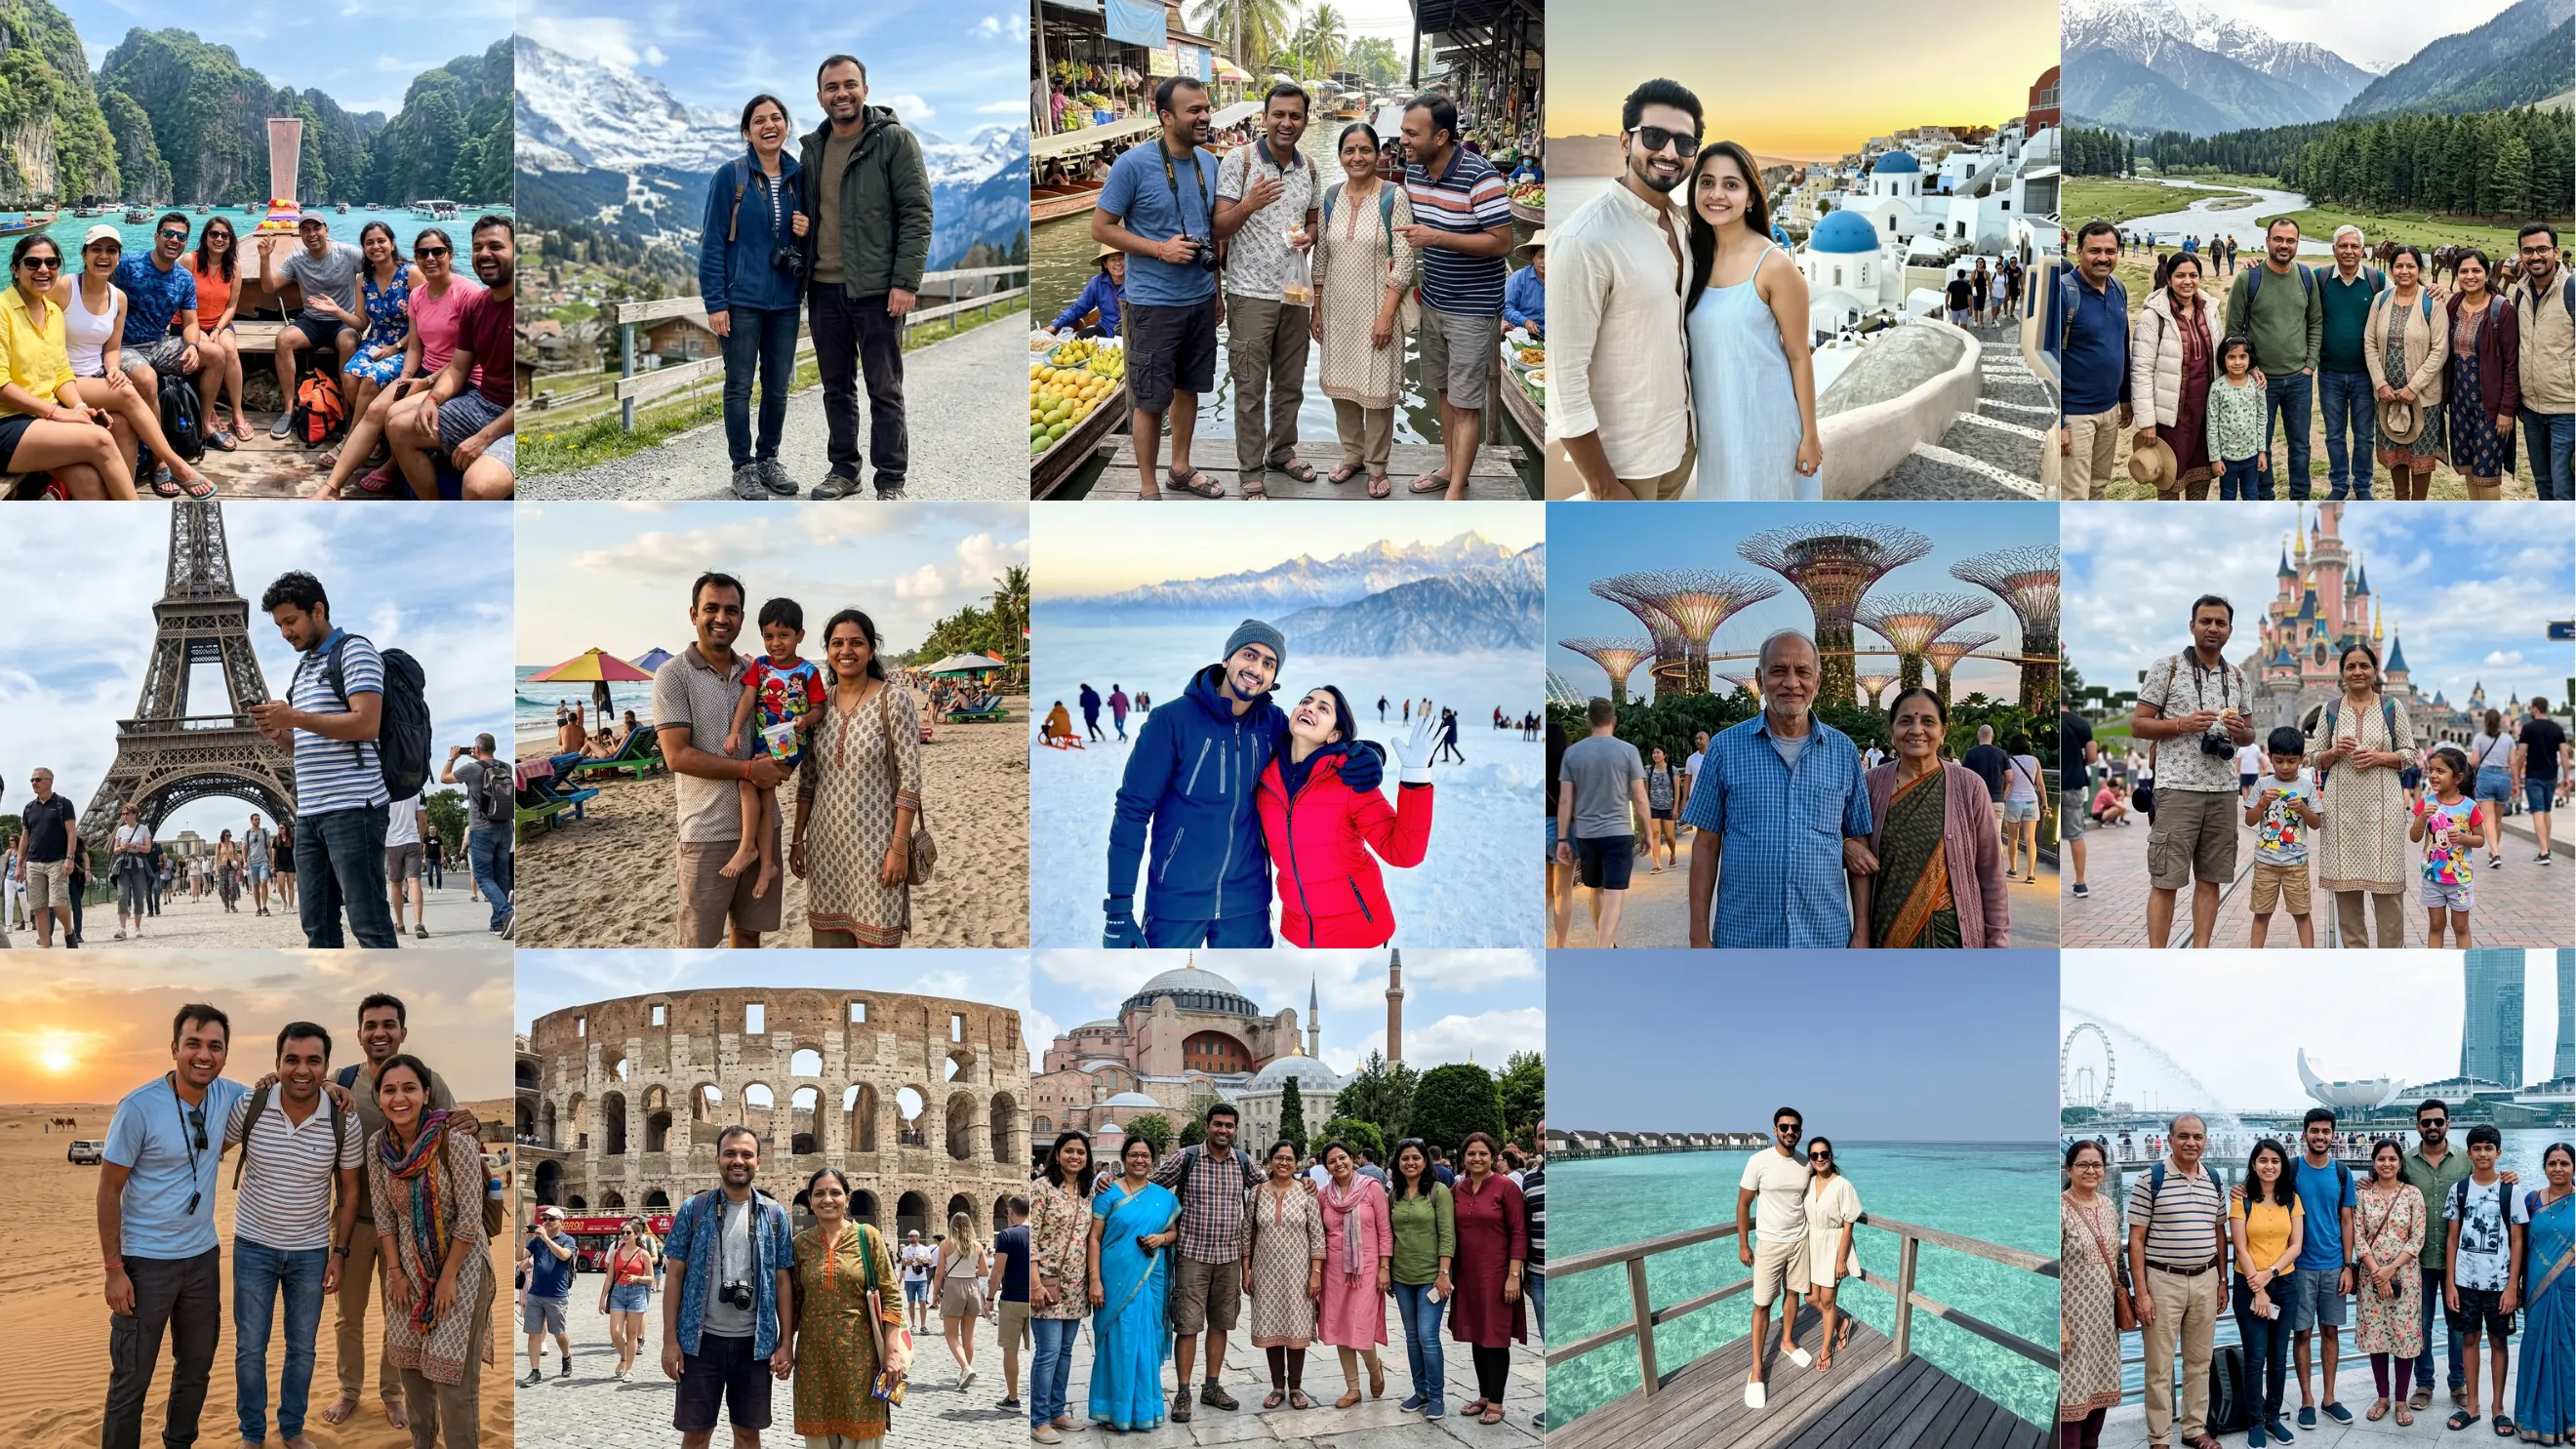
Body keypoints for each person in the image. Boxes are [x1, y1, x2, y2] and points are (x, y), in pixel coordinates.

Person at [100, 1005, 250, 1449]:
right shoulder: (138, 1107)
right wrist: (113, 1267)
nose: (204, 1056)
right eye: (194, 1044)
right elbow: (109, 1191)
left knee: (196, 1368)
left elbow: (284, 1086)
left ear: (225, 1054)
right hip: (145, 1264)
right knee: (132, 1377)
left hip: (202, 1259)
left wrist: (337, 1089)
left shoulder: (230, 1095)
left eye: (214, 1047)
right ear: (174, 1049)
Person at [1551, 79, 1698, 502]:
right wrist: (1601, 484)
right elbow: (1565, 379)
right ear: (1624, 140)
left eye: (1685, 143)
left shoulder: (1684, 226)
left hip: (1681, 444)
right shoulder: (1585, 238)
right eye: (1655, 136)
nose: (1670, 152)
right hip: (1625, 464)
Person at [1684, 631, 1875, 949]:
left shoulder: (1843, 752)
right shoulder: (1724, 749)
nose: (1791, 682)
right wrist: (1698, 936)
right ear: (1760, 679)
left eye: (1802, 672)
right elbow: (1705, 845)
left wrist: (1862, 932)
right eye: (1778, 671)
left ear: (1818, 679)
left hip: (1824, 938)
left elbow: (1860, 845)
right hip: (1744, 939)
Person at [246, 570, 400, 949]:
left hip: (352, 808)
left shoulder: (354, 650)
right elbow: (308, 748)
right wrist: (280, 734)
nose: (285, 633)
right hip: (310, 815)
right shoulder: (304, 669)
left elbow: (367, 724)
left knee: (369, 922)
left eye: (291, 621)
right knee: (316, 925)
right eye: (280, 624)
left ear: (317, 611)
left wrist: (295, 717)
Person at [797, 56, 929, 500]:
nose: (841, 93)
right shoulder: (812, 149)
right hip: (823, 288)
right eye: (832, 87)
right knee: (836, 388)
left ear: (865, 90)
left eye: (849, 84)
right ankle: (843, 471)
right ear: (820, 97)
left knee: (884, 389)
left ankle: (891, 480)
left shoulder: (894, 142)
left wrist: (905, 281)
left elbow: (916, 214)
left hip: (877, 290)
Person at [1094, 76, 1226, 499]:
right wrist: (1158, 249)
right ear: (1166, 116)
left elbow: (1211, 235)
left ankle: (1181, 468)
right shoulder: (1132, 165)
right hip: (1154, 304)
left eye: (1206, 108)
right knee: (1150, 399)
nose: (1204, 116)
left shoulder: (1209, 162)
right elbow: (1101, 228)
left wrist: (1217, 291)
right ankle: (1148, 488)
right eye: (1194, 110)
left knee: (1190, 387)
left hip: (1200, 299)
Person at [655, 573, 789, 948]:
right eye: (711, 608)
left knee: (748, 933)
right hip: (705, 830)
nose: (721, 618)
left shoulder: (757, 672)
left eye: (731, 610)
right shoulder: (672, 675)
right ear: (693, 613)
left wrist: (783, 762)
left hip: (763, 825)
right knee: (698, 944)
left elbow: (782, 724)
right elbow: (676, 755)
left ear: (742, 617)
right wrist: (749, 769)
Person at [366, 1054, 490, 1449]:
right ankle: (423, 1442)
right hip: (407, 1267)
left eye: (408, 1088)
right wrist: (396, 1273)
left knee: (452, 1379)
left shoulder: (455, 1139)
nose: (399, 1098)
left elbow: (469, 1218)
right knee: (410, 1368)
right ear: (379, 1097)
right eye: (389, 1090)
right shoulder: (379, 1146)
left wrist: (447, 1278)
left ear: (426, 1094)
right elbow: (385, 1217)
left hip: (462, 1266)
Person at [1687, 140, 1823, 497]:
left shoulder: (1775, 266)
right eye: (1707, 182)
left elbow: (1798, 355)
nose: (1716, 193)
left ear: (1750, 197)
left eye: (1731, 185)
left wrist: (1810, 436)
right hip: (1717, 436)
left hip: (1768, 431)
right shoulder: (1694, 259)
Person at [782, 609, 922, 948]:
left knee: (876, 956)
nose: (846, 651)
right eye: (837, 643)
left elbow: (911, 780)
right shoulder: (817, 706)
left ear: (871, 649)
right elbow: (809, 780)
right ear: (827, 650)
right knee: (830, 955)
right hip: (825, 847)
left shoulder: (894, 700)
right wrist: (797, 839)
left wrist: (899, 848)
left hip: (878, 849)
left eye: (856, 643)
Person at [1397, 92, 1512, 501]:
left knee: (1466, 403)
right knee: (1444, 391)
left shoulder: (1482, 178)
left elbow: (1501, 243)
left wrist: (1437, 237)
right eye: (1403, 132)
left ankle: (1457, 491)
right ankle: (1449, 468)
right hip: (1434, 299)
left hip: (1473, 307)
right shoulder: (1414, 173)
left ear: (1442, 136)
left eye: (1413, 133)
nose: (1404, 141)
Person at [1254, 685, 1433, 947]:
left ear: (1334, 734)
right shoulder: (1264, 780)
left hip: (1358, 935)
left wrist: (1416, 777)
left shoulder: (1350, 780)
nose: (1309, 708)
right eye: (1306, 701)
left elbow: (1404, 853)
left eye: (1323, 708)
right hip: (1295, 935)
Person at [315, 227, 484, 500]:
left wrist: (423, 379)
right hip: (424, 370)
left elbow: (467, 357)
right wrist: (406, 376)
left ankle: (393, 465)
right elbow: (416, 346)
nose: (430, 258)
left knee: (392, 414)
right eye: (422, 253)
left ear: (450, 256)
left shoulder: (468, 294)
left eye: (437, 252)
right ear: (415, 258)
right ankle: (331, 488)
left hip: (456, 377)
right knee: (376, 410)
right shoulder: (418, 295)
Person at [1213, 83, 1320, 499]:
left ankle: (1282, 452)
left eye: (1295, 115)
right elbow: (1219, 227)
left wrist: (1308, 237)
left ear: (1305, 121)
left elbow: (1311, 222)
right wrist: (1249, 204)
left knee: (1290, 382)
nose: (1286, 123)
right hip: (1249, 291)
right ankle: (1250, 470)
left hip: (1295, 290)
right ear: (1264, 117)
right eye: (1279, 114)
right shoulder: (1237, 162)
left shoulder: (1309, 167)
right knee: (1250, 384)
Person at [661, 1126, 796, 1449]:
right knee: (695, 1435)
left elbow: (782, 1280)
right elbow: (674, 1276)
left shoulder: (775, 1215)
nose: (739, 1161)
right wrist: (669, 1341)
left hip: (754, 1344)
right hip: (699, 1342)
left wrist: (785, 1342)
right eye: (731, 1153)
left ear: (758, 1162)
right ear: (717, 1159)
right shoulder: (694, 1210)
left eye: (746, 1154)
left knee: (749, 1435)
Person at [701, 94, 808, 500]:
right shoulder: (731, 176)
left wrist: (806, 229)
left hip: (784, 301)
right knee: (740, 386)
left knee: (778, 385)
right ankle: (742, 466)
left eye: (776, 117)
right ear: (746, 131)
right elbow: (711, 243)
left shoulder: (800, 175)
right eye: (759, 119)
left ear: (786, 126)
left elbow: (810, 240)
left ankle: (769, 459)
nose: (769, 125)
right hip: (740, 299)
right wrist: (716, 303)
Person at [2134, 596, 2257, 947]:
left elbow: (2250, 735)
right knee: (2166, 880)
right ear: (2192, 625)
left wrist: (2238, 731)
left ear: (2230, 631)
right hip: (2176, 789)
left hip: (2221, 790)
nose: (2213, 628)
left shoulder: (2237, 677)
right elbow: (2138, 725)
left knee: (2211, 879)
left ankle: (2200, 953)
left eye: (2220, 623)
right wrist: (2180, 724)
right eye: (2206, 621)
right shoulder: (2167, 667)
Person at [59, 225, 216, 497]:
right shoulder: (64, 287)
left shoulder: (118, 297)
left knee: (124, 425)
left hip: (103, 369)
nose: (103, 256)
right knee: (137, 386)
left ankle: (126, 491)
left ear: (118, 257)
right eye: (96, 249)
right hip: (66, 378)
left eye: (111, 251)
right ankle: (169, 461)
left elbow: (111, 348)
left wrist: (114, 369)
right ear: (83, 254)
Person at [1311, 120, 1418, 497]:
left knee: (1377, 389)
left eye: (1365, 150)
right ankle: (1352, 456)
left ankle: (1376, 465)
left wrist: (1387, 315)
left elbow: (1405, 261)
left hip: (1378, 308)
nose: (1357, 157)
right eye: (1349, 150)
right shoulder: (1330, 197)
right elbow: (1321, 255)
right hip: (1338, 310)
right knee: (1343, 390)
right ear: (1341, 156)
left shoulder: (1394, 197)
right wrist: (1317, 308)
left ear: (1377, 154)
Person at [1858, 687, 2010, 947]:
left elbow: (1991, 871)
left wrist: (1998, 942)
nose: (1917, 730)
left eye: (1928, 721)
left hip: (1952, 937)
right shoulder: (1870, 785)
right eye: (1905, 721)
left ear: (1943, 732)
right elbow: (1852, 850)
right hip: (1888, 934)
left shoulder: (1969, 786)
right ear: (1891, 732)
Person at [382, 215, 515, 501]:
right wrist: (432, 399)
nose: (484, 255)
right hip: (484, 403)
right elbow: (457, 368)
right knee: (399, 427)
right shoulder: (477, 306)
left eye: (496, 246)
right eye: (478, 247)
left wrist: (484, 438)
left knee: (479, 486)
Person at [1149, 1103, 1266, 1421]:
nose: (1223, 1130)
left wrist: (1305, 1183)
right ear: (1207, 1126)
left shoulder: (1243, 1162)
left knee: (1221, 1323)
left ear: (1235, 1130)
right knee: (1187, 1325)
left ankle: (1211, 1386)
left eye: (1229, 1125)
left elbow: (1270, 1189)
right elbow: (1146, 1186)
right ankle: (1183, 1391)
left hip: (1228, 1257)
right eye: (1218, 1124)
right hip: (1192, 1256)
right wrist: (1108, 1185)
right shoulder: (1186, 1158)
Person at [0, 232, 137, 499]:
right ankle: (139, 526)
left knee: (88, 481)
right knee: (101, 439)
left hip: (38, 419)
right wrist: (56, 413)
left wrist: (80, 408)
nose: (43, 270)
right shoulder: (3, 310)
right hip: (7, 421)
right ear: (15, 270)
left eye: (51, 263)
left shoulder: (52, 312)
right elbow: (2, 386)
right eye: (32, 263)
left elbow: (62, 373)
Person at [2129, 1113, 2229, 1449]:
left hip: (2205, 1279)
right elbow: (2136, 1240)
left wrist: (2222, 1281)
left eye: (2197, 1136)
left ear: (2205, 1141)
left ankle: (2194, 1430)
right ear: (2169, 1140)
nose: (2191, 1142)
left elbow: (2220, 1234)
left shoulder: (2214, 1179)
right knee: (2158, 1366)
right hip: (2162, 1281)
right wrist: (2141, 1292)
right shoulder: (2150, 1178)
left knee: (2199, 1361)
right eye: (2183, 1135)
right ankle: (2159, 1437)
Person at [2305, 642, 2415, 947]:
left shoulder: (2392, 707)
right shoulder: (2331, 711)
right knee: (2347, 898)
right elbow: (2314, 758)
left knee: (2389, 893)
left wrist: (2379, 757)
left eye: (2364, 665)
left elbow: (2409, 753)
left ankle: (2391, 961)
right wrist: (2333, 751)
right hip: (2343, 813)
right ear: (2341, 673)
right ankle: (2357, 963)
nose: (2357, 671)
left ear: (2375, 671)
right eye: (2350, 666)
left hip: (2384, 813)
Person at [785, 1166, 907, 1442]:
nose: (827, 1199)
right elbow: (794, 1303)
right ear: (810, 1200)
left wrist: (891, 1353)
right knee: (819, 1438)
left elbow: (890, 1296)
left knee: (863, 1437)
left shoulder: (868, 1237)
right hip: (814, 1358)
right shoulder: (801, 1244)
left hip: (862, 1358)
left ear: (848, 1198)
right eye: (819, 1194)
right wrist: (784, 1348)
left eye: (835, 1193)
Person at [721, 597, 824, 899]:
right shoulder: (761, 666)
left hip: (790, 744)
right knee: (764, 796)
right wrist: (734, 730)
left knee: (746, 780)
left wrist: (805, 719)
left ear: (799, 636)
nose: (776, 643)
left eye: (784, 635)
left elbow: (819, 707)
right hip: (763, 741)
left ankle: (747, 847)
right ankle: (766, 864)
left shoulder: (807, 672)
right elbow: (748, 699)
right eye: (769, 636)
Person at [2223, 219, 2325, 498]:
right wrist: (2250, 368)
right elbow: (2233, 331)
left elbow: (2315, 322)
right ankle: (2264, 498)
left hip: (2299, 380)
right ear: (2267, 241)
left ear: (2297, 244)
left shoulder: (2306, 277)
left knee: (2301, 445)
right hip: (2259, 381)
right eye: (2278, 239)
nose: (2284, 245)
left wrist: (2309, 365)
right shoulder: (2248, 278)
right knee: (2260, 444)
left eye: (2290, 240)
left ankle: (2300, 498)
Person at [1087, 1136, 1182, 1431]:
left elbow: (1174, 1232)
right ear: (1124, 1158)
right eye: (1133, 1155)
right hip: (1114, 1279)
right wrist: (1094, 1281)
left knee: (1145, 1343)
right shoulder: (1108, 1192)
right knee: (1118, 1343)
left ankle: (1144, 1410)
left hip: (1151, 1277)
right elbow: (1094, 1237)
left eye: (1145, 1155)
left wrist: (1162, 1238)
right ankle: (1112, 1410)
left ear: (1153, 1161)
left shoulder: (1164, 1197)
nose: (1139, 1160)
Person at [2442, 1124, 2528, 1434]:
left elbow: (2517, 1241)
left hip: (2499, 1285)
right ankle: (2473, 1406)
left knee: (2498, 1342)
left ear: (2498, 1153)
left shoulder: (2511, 1191)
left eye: (2488, 1148)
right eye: (2476, 1148)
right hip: (2465, 1282)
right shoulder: (2460, 1190)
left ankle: (2498, 1408)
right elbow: (2452, 1239)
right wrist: (2450, 1283)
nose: (2482, 1154)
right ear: (2469, 1154)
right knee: (2469, 1339)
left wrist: (2511, 1286)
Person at [2280, 1110, 2359, 1429]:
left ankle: (2329, 1398)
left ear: (2334, 1136)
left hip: (2332, 1266)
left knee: (2330, 1331)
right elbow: (2266, 1196)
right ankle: (2307, 1401)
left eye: (2326, 1131)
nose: (2320, 1136)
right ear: (2304, 1135)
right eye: (2314, 1131)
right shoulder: (2292, 1170)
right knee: (2301, 1333)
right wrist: (2241, 1190)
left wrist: (2347, 1266)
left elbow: (2347, 1220)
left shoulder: (2342, 1173)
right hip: (2297, 1267)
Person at [259, 217, 365, 443]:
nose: (312, 234)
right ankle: (289, 410)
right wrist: (265, 258)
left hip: (342, 319)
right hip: (312, 321)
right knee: (283, 339)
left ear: (327, 229)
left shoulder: (347, 253)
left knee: (348, 342)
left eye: (317, 228)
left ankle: (347, 411)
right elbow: (269, 287)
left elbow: (377, 268)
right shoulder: (297, 260)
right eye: (305, 230)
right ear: (301, 235)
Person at [1556, 696, 1649, 946]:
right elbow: (1640, 797)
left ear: (1588, 720)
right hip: (1618, 832)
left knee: (1596, 890)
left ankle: (1605, 944)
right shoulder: (1628, 751)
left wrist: (1563, 838)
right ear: (1614, 720)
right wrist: (1649, 832)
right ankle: (1603, 948)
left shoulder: (1572, 753)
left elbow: (1566, 801)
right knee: (1614, 896)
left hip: (1586, 834)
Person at [2230, 1137, 2305, 1445]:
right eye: (2263, 1161)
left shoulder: (2291, 1199)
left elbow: (2296, 1245)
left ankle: (2273, 1418)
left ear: (2282, 1165)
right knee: (2255, 1356)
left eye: (2275, 1161)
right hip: (2249, 1287)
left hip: (2285, 1284)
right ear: (2253, 1165)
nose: (2269, 1166)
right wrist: (2258, 1287)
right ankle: (2255, 1422)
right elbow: (2240, 1246)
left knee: (2278, 1356)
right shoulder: (2241, 1199)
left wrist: (2271, 1274)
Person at [1243, 1140, 1327, 1409]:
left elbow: (1317, 1235)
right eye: (1279, 1157)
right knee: (1271, 1327)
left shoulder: (1306, 1193)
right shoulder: (1257, 1192)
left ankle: (1295, 1387)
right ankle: (1277, 1386)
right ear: (1270, 1161)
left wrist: (1316, 1274)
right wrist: (1246, 1271)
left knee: (1296, 1328)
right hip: (1266, 1273)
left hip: (1298, 1273)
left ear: (1297, 1163)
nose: (1284, 1163)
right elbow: (1247, 1233)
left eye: (1290, 1159)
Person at [2131, 252, 2223, 499]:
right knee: (2168, 475)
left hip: (2204, 412)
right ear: (2169, 279)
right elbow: (2141, 370)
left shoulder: (2210, 310)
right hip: (2171, 415)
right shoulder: (2153, 317)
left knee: (2201, 474)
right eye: (2180, 275)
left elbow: (2220, 357)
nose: (2187, 281)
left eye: (2193, 275)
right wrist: (2147, 422)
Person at [2052, 221, 2130, 500]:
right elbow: (2050, 361)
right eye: (2094, 251)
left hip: (2110, 412)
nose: (2103, 258)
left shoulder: (2118, 288)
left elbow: (2122, 345)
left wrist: (2125, 398)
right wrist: (2059, 422)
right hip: (2076, 415)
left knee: (2099, 486)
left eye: (2110, 251)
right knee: (2074, 495)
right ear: (2078, 252)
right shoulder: (2063, 294)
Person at [2361, 246, 2447, 500]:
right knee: (2395, 452)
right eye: (2399, 266)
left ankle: (2417, 507)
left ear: (2419, 269)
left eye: (2410, 266)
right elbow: (2369, 343)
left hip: (2422, 397)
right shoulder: (2381, 299)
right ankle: (2400, 501)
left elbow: (2440, 350)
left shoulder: (2432, 301)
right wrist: (2380, 383)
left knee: (2419, 455)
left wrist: (2413, 387)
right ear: (2392, 270)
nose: (2404, 271)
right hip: (2387, 395)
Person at [1738, 1107, 1810, 1409]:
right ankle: (1756, 1368)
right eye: (1784, 1126)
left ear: (1800, 1131)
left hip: (1800, 1241)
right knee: (1762, 1304)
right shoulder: (1758, 1161)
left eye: (1795, 1127)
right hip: (1768, 1244)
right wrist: (1743, 1244)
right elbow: (1743, 1205)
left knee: (1793, 1294)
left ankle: (1787, 1341)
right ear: (1775, 1129)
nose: (1790, 1131)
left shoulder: (1806, 1163)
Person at [1313, 1140, 1392, 1408]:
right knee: (1339, 1327)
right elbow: (1317, 1234)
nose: (1339, 1164)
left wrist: (1384, 1268)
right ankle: (1353, 1388)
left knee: (1360, 1325)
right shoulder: (1323, 1195)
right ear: (1327, 1167)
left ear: (1353, 1158)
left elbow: (1384, 1230)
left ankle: (1374, 1367)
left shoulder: (1372, 1189)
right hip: (1334, 1272)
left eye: (1342, 1157)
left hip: (1366, 1270)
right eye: (1332, 1161)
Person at [2355, 1138, 2428, 1427]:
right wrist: (2377, 1272)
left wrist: (2391, 1269)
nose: (2387, 1164)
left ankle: (2400, 1400)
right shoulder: (2362, 1195)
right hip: (2371, 1277)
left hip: (2406, 1277)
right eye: (2381, 1159)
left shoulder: (2412, 1195)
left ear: (2400, 1163)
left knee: (2404, 1337)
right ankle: (2382, 1397)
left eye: (2392, 1159)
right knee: (2377, 1337)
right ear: (2374, 1162)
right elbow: (2358, 1236)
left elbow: (2417, 1237)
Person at [334, 221, 417, 463]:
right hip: (375, 342)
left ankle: (351, 438)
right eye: (369, 242)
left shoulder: (410, 273)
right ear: (364, 248)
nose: (376, 246)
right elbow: (361, 322)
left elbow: (424, 321)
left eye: (381, 241)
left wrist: (396, 347)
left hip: (407, 344)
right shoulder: (363, 279)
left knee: (370, 379)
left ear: (392, 244)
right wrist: (337, 311)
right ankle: (375, 436)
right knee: (349, 375)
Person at [1027, 1132, 1092, 1443]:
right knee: (1048, 1353)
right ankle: (1038, 1418)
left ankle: (1057, 1410)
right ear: (1057, 1154)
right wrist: (1035, 1283)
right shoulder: (1041, 1188)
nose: (1075, 1156)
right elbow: (1031, 1238)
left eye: (1081, 1152)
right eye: (1069, 1151)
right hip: (1047, 1283)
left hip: (1076, 1285)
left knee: (1065, 1352)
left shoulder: (1087, 1191)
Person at [2314, 226, 2385, 502]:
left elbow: (2408, 294)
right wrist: (2254, 264)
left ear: (2362, 250)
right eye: (2343, 246)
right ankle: (2340, 484)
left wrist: (2434, 291)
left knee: (2365, 435)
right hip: (2330, 373)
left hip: (2366, 374)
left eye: (2354, 246)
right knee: (2334, 435)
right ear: (2334, 249)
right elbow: (2284, 274)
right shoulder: (2319, 278)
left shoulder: (2377, 280)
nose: (2349, 251)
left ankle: (2363, 485)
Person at [2444, 250, 2522, 500]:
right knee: (2469, 469)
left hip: (2490, 407)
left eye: (2476, 270)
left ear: (2487, 273)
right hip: (2459, 403)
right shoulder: (2454, 304)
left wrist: (2507, 409)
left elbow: (2512, 364)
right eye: (2464, 271)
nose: (2470, 276)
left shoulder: (2502, 309)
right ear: (2456, 275)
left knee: (2487, 475)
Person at [1386, 1139, 1455, 1419]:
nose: (1410, 1163)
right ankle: (1421, 1390)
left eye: (1415, 1158)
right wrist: (1386, 1271)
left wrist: (1444, 1273)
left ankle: (1437, 1395)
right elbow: (1388, 1235)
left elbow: (1448, 1235)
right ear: (1398, 1163)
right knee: (1412, 1337)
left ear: (1425, 1161)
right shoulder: (1395, 1193)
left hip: (1431, 1277)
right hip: (1402, 1276)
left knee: (1428, 1336)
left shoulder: (1439, 1192)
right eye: (1404, 1159)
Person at [2062, 1140, 2124, 1449]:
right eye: (2083, 1164)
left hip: (2103, 1320)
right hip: (2071, 1322)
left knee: (2099, 1390)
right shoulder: (2058, 1209)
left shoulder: (2108, 1206)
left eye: (2097, 1164)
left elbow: (2117, 1260)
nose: (2091, 1170)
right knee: (2071, 1400)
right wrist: (2057, 1323)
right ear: (2069, 1169)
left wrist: (2133, 1299)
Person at [2515, 1143, 2572, 1445]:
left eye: (2564, 1163)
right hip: (2537, 1284)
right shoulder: (2533, 1200)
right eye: (2552, 1163)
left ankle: (2572, 1421)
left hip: (2571, 1288)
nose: (2558, 1169)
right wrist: (2517, 1282)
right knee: (2535, 1346)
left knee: (2568, 1351)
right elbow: (2519, 1244)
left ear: (2574, 1167)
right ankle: (2533, 1419)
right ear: (2544, 1167)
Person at [2242, 727, 2321, 948]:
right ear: (2269, 758)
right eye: (2279, 761)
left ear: (2302, 759)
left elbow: (2316, 824)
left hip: (2296, 863)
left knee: (2302, 913)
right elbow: (2249, 821)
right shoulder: (2262, 785)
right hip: (2265, 862)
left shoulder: (2306, 786)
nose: (2285, 767)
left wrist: (2304, 809)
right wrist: (2262, 803)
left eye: (2291, 761)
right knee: (2261, 912)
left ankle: (2309, 957)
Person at [2512, 224, 2572, 501]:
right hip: (2532, 411)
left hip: (2568, 410)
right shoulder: (2521, 293)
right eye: (2527, 250)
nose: (2535, 256)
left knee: (2565, 490)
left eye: (2542, 249)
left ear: (2555, 252)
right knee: (2543, 485)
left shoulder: (2572, 290)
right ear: (2521, 255)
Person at [182, 216, 250, 445]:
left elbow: (232, 305)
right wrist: (198, 329)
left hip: (219, 322)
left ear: (231, 239)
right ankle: (208, 413)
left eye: (225, 235)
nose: (219, 239)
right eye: (214, 234)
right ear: (205, 237)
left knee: (229, 348)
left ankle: (237, 412)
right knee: (209, 350)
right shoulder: (188, 261)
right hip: (190, 322)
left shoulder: (234, 268)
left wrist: (218, 329)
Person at [2410, 745, 2484, 947]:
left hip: (2460, 878)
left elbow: (2480, 839)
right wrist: (2422, 817)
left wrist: (2463, 838)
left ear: (2458, 778)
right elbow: (2414, 837)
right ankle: (2436, 969)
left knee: (2460, 927)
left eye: (2440, 771)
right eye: (2431, 770)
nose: (2433, 775)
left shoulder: (2469, 806)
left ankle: (2465, 968)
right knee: (2436, 925)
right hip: (2433, 877)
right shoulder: (2426, 803)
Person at [440, 735, 512, 935]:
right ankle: (498, 924)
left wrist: (452, 758)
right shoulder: (507, 767)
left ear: (477, 749)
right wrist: (479, 758)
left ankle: (507, 913)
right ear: (494, 747)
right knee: (501, 877)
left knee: (482, 876)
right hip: (505, 827)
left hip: (482, 830)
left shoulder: (470, 769)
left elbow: (444, 778)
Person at [1803, 1138, 1862, 1370]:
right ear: (1810, 1158)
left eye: (1824, 1154)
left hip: (1833, 1244)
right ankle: (1842, 1323)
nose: (1820, 1159)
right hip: (1811, 1244)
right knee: (1810, 1297)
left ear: (1831, 1156)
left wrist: (1841, 1259)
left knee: (1828, 1301)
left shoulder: (1843, 1185)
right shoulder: (1807, 1183)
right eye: (1814, 1155)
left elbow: (1848, 1224)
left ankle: (1826, 1348)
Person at [2207, 334, 2271, 500]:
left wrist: (2262, 452)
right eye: (2231, 357)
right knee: (2228, 496)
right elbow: (2211, 424)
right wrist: (2215, 458)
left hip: (2251, 457)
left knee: (2251, 494)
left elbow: (2262, 418)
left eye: (2242, 357)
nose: (2237, 362)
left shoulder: (2256, 385)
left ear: (2250, 358)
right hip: (2227, 458)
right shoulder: (2217, 388)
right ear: (2223, 359)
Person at [520, 1205, 576, 1387]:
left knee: (559, 1333)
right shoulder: (536, 1242)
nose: (546, 1222)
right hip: (535, 1293)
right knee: (533, 1333)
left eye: (551, 1219)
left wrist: (545, 1237)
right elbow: (518, 1256)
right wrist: (523, 1238)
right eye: (545, 1219)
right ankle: (535, 1372)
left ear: (561, 1222)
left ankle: (566, 1356)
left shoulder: (567, 1240)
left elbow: (564, 1256)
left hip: (557, 1295)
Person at [597, 1219, 659, 1383]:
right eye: (622, 1232)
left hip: (636, 1294)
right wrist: (602, 1298)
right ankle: (624, 1358)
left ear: (636, 1234)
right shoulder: (616, 1252)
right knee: (615, 1332)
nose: (624, 1235)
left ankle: (629, 1369)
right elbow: (609, 1277)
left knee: (632, 1334)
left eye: (628, 1232)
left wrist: (638, 1277)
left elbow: (651, 1278)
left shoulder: (643, 1253)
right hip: (618, 1293)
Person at [937, 1210, 989, 1389]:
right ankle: (965, 1370)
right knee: (968, 1334)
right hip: (972, 1288)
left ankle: (966, 1368)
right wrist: (969, 1271)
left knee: (950, 1334)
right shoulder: (978, 1246)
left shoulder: (946, 1244)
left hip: (953, 1287)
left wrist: (935, 1293)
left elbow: (939, 1272)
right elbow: (984, 1272)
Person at [2516, 697, 2567, 864]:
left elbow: (2522, 753)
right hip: (2551, 775)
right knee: (2546, 811)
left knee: (2537, 811)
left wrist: (2516, 775)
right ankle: (2547, 847)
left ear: (2535, 709)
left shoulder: (2528, 728)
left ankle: (2543, 851)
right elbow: (2564, 754)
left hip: (2534, 775)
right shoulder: (2557, 728)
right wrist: (2566, 776)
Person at [2471, 709, 2517, 871]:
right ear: (2500, 722)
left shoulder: (2479, 738)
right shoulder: (2508, 739)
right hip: (2504, 776)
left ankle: (2494, 853)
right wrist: (2516, 783)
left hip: (2486, 776)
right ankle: (2494, 851)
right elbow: (2513, 762)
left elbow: (2474, 761)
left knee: (2488, 819)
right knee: (2498, 819)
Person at [1047, 245, 1124, 338]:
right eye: (1113, 260)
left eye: (1121, 258)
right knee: (1081, 336)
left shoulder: (1137, 281)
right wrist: (1054, 325)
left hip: (1134, 331)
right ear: (1105, 264)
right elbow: (1077, 308)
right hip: (1107, 329)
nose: (1118, 263)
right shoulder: (1096, 283)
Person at [2064, 704, 2099, 899]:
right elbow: (2092, 757)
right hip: (2073, 785)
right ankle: (2080, 883)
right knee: (2076, 835)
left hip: (2054, 786)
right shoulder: (2081, 724)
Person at [384, 789, 428, 941]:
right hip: (412, 840)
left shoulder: (386, 790)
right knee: (414, 880)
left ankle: (400, 925)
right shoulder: (415, 791)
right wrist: (420, 839)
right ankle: (419, 923)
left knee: (395, 884)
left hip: (391, 842)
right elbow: (422, 821)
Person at [2002, 732, 2044, 885]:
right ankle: (2031, 874)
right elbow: (2040, 784)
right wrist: (2044, 802)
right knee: (2030, 839)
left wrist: (2003, 797)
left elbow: (2008, 782)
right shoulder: (2035, 761)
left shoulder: (2010, 762)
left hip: (2013, 801)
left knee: (2013, 837)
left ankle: (2013, 869)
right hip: (2031, 801)